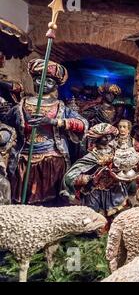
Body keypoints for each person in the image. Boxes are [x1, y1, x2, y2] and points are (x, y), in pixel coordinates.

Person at [0, 58, 88, 206]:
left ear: (55, 85)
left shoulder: (60, 107)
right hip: (23, 157)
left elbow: (82, 124)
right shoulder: (21, 106)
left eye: (48, 81)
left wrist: (54, 122)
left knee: (50, 201)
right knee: (21, 199)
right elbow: (7, 124)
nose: (42, 84)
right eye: (38, 79)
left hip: (52, 158)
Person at [63, 123, 129, 217]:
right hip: (95, 191)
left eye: (109, 136)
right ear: (97, 139)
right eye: (104, 137)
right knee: (94, 216)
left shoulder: (114, 150)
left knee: (117, 214)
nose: (107, 139)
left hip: (115, 188)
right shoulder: (91, 156)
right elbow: (70, 176)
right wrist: (87, 178)